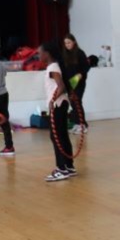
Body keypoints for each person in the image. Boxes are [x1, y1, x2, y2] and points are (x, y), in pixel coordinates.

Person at [40, 42, 76, 182]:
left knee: (56, 137)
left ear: (47, 54)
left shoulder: (53, 67)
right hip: (62, 104)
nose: (39, 55)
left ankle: (61, 169)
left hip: (58, 104)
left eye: (40, 52)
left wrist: (52, 100)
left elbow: (61, 86)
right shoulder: (55, 66)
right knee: (62, 135)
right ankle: (69, 166)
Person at [61, 33, 91, 135]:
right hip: (70, 82)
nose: (67, 45)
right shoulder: (65, 54)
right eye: (65, 43)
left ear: (74, 42)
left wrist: (81, 74)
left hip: (79, 82)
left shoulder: (80, 53)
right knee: (73, 103)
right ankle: (77, 124)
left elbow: (86, 66)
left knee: (77, 101)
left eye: (69, 42)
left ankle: (83, 125)